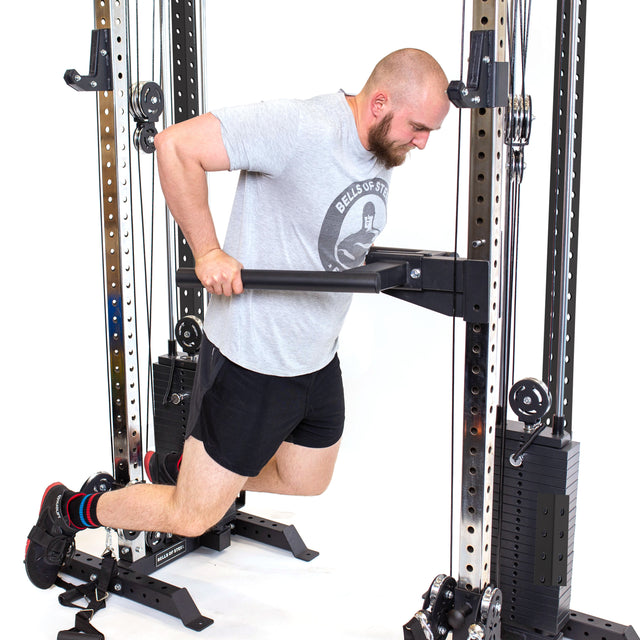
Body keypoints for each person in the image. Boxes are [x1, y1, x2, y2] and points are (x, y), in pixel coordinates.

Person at [25, 48, 450, 589]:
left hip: (315, 357)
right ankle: (70, 510)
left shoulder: (379, 150)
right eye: (417, 128)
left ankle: (183, 471)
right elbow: (176, 145)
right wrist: (208, 252)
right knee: (193, 516)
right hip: (252, 358)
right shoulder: (300, 126)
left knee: (307, 479)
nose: (422, 142)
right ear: (381, 102)